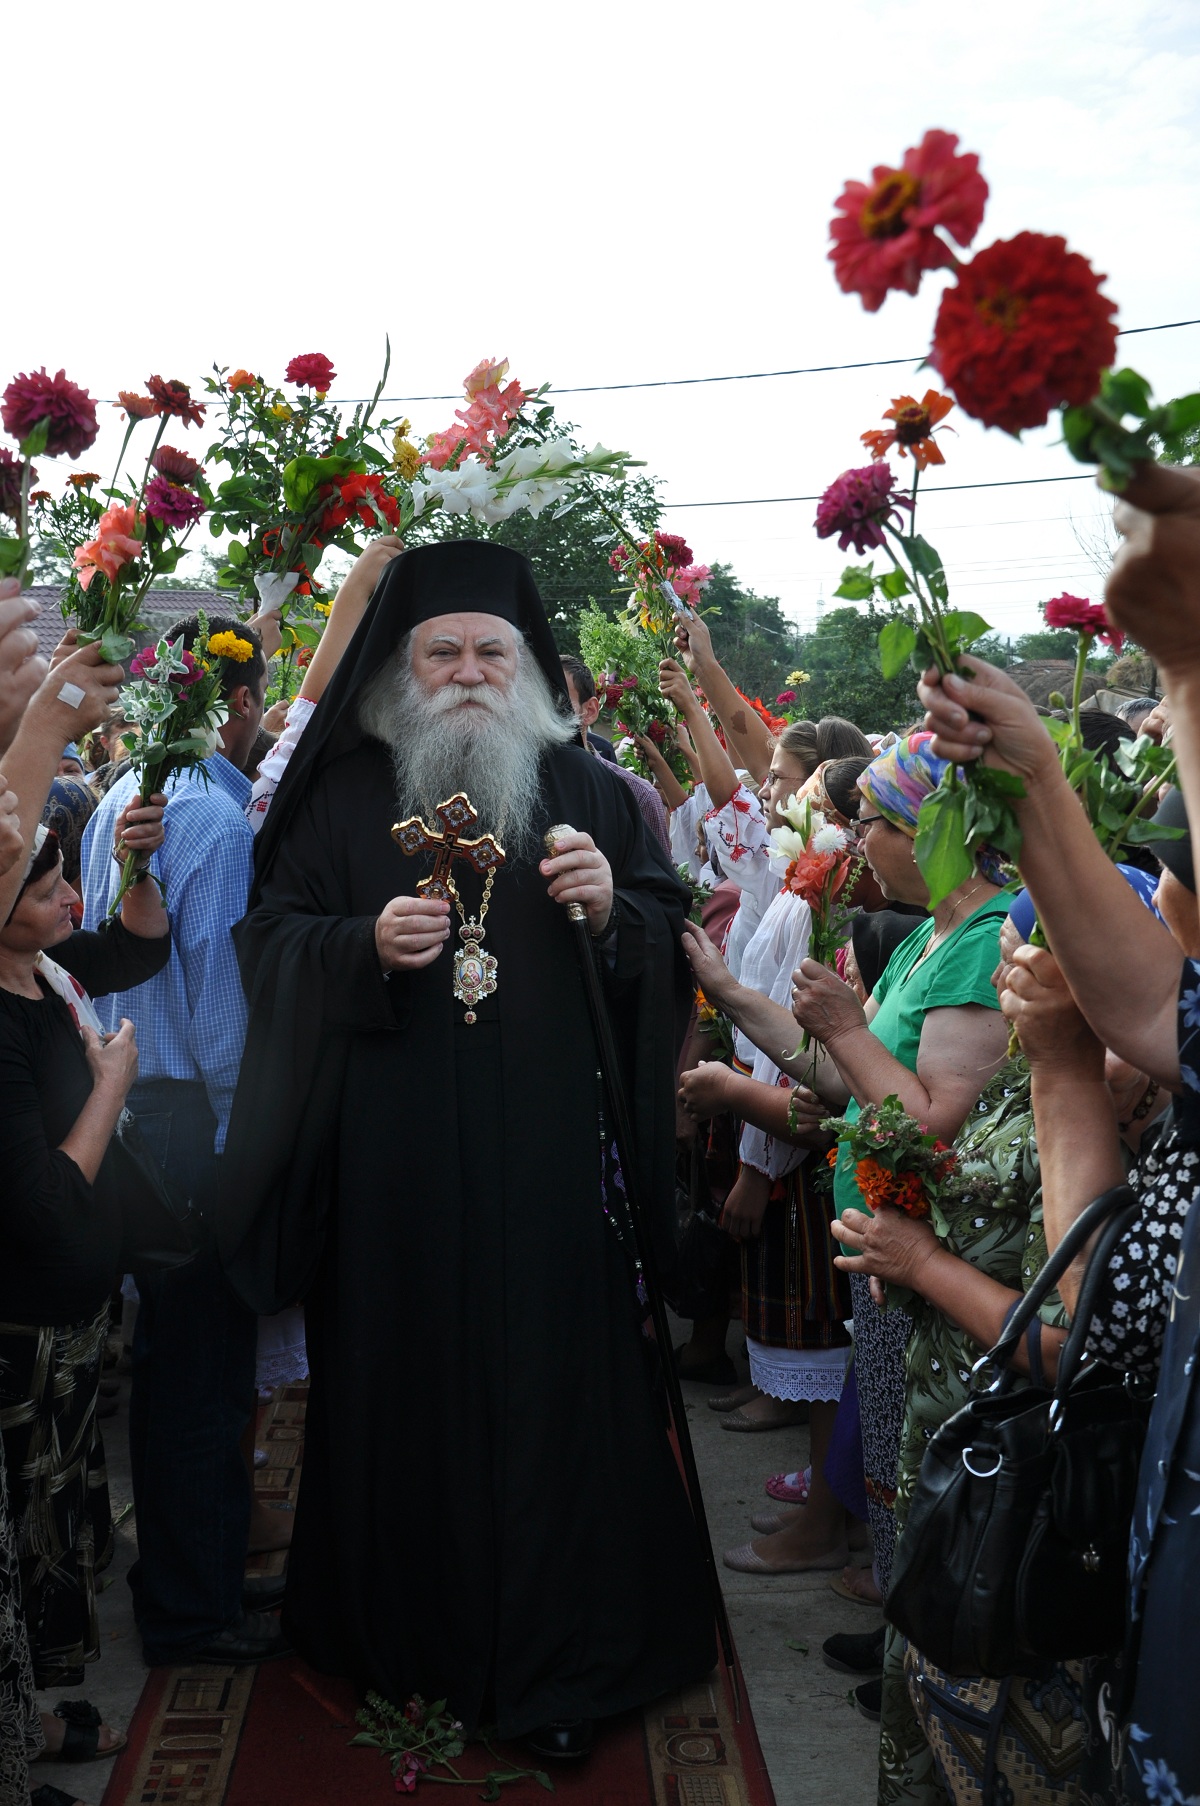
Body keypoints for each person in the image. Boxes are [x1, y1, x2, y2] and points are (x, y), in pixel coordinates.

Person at [216, 541, 716, 1759]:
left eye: (493, 651)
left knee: (556, 1407)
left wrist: (616, 909)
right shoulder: (339, 796)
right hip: (391, 1181)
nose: (469, 673)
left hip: (549, 1176)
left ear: (528, 668)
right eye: (442, 651)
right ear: (404, 666)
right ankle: (408, 1645)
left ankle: (560, 1662)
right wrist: (357, 944)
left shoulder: (588, 791)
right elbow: (266, 941)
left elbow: (665, 928)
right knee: (405, 1398)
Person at [79, 617, 282, 1669]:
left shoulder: (125, 796)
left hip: (128, 1102)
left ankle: (186, 1577)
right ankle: (192, 1611)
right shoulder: (218, 817)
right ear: (239, 706)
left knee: (173, 1362)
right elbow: (220, 1011)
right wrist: (242, 1136)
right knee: (201, 1371)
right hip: (190, 1112)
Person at [559, 654, 670, 852]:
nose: (545, 714)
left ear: (590, 711)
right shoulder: (514, 794)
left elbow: (660, 881)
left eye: (559, 701)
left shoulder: (637, 796)